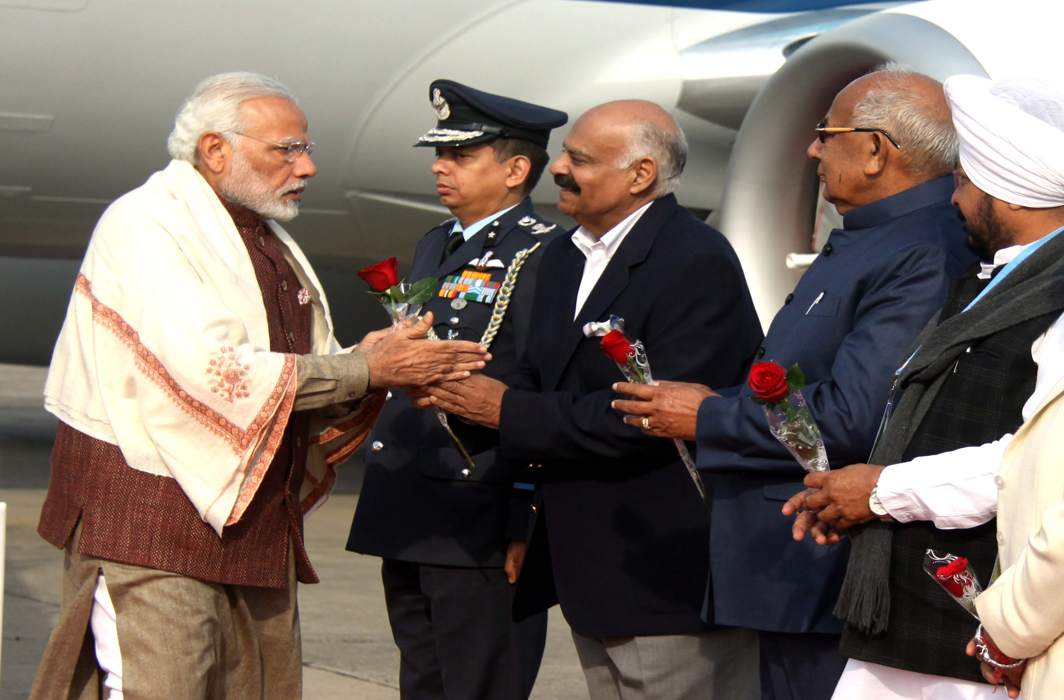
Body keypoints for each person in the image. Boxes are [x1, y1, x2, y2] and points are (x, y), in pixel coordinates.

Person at [28, 72, 489, 700]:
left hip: (250, 521)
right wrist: (368, 371)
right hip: (148, 519)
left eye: (306, 147)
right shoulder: (146, 225)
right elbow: (208, 368)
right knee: (163, 688)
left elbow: (287, 364)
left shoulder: (258, 233)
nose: (309, 166)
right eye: (289, 149)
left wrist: (368, 357)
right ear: (217, 151)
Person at [611, 66, 977, 699]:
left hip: (827, 565)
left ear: (873, 150)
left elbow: (856, 417)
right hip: (793, 569)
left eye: (823, 133)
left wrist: (709, 417)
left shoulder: (923, 250)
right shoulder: (879, 238)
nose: (810, 149)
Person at [420, 99, 764, 699]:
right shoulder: (560, 258)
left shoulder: (695, 260)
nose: (557, 168)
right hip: (588, 570)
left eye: (580, 159)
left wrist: (503, 409)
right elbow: (532, 379)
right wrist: (455, 391)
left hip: (666, 574)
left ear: (641, 175)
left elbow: (652, 414)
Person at [784, 74, 1064, 699]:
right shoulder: (987, 280)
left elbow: (1029, 461)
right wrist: (860, 496)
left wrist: (882, 491)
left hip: (979, 624)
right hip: (909, 609)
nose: (953, 199)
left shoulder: (1054, 294)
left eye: (964, 182)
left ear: (1008, 195)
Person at [345, 80, 566, 700]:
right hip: (411, 498)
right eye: (440, 155)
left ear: (517, 169)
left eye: (462, 156)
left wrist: (526, 513)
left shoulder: (544, 254)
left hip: (481, 503)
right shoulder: (435, 244)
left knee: (480, 683)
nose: (441, 167)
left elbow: (541, 387)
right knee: (424, 679)